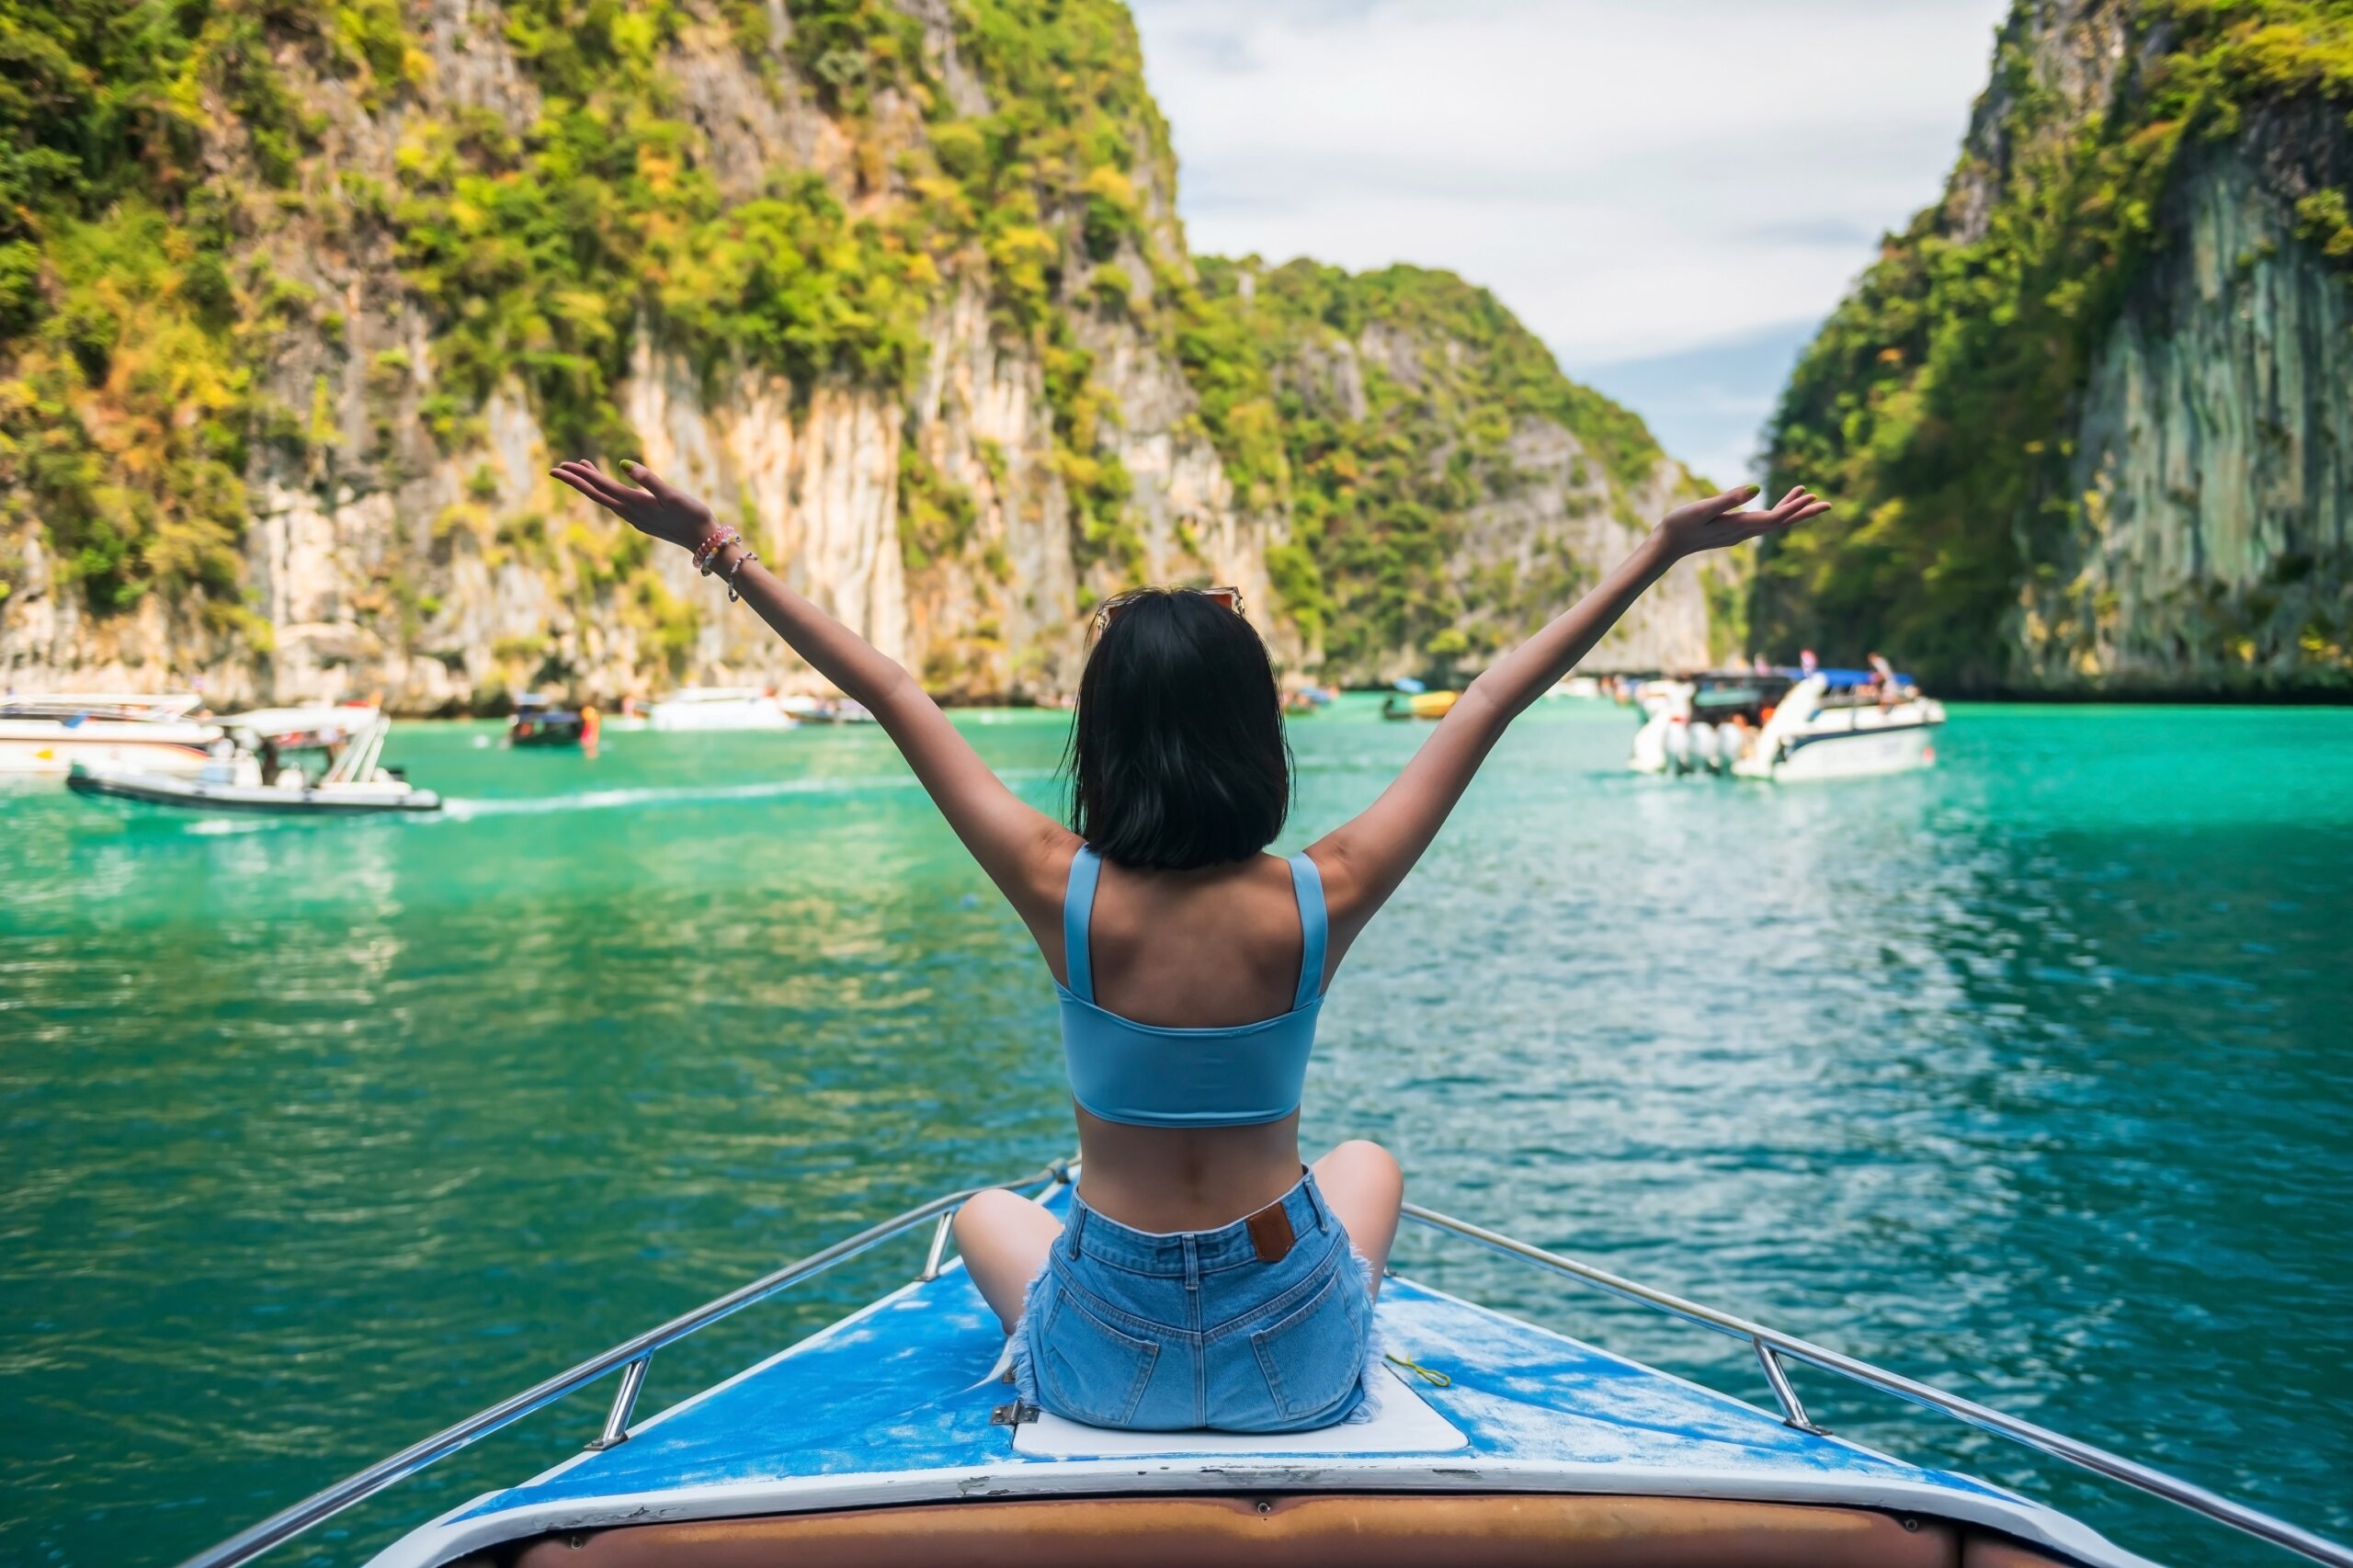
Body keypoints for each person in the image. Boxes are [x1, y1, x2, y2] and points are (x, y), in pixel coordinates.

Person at [551, 456, 1826, 1432]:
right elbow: (1496, 695)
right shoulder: (1325, 890)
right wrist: (1660, 552)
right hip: (1304, 1366)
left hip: (1108, 1366)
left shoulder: (1061, 888)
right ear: (1255, 737)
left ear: (1101, 743)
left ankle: (1076, 1348)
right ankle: (1326, 1317)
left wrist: (713, 544)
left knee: (990, 1209)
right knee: (1367, 1162)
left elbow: (890, 690)